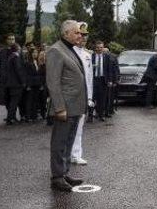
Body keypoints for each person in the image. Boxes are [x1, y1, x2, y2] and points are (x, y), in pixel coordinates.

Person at [46, 20, 87, 192]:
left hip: (75, 107)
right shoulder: (56, 50)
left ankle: (64, 173)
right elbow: (53, 83)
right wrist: (59, 108)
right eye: (77, 33)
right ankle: (57, 177)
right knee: (59, 142)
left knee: (69, 142)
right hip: (65, 108)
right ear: (66, 34)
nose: (80, 35)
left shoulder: (69, 49)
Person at [71, 22, 94, 166]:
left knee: (79, 127)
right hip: (71, 96)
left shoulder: (87, 55)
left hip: (83, 96)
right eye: (81, 34)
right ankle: (66, 154)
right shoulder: (69, 52)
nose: (83, 38)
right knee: (67, 128)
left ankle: (76, 154)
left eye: (85, 35)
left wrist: (90, 96)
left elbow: (89, 78)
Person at [5, 43, 26, 125]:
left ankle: (10, 118)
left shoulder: (10, 57)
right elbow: (19, 71)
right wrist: (23, 82)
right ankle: (10, 119)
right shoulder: (16, 58)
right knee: (14, 102)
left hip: (11, 83)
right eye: (19, 48)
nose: (20, 49)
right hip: (16, 84)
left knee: (12, 102)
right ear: (17, 49)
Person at [91, 41, 112, 121]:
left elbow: (109, 69)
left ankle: (101, 115)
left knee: (102, 99)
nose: (99, 49)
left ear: (103, 48)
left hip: (103, 80)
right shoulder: (91, 56)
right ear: (95, 48)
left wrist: (110, 80)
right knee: (92, 97)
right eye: (98, 47)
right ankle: (90, 115)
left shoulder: (106, 57)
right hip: (94, 79)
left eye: (101, 47)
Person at [24, 48, 44, 122]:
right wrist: (28, 85)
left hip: (37, 84)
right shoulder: (27, 63)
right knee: (29, 101)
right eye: (33, 53)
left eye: (36, 52)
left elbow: (40, 74)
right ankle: (28, 116)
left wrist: (41, 84)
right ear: (30, 54)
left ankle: (34, 116)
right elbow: (26, 75)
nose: (35, 54)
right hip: (31, 84)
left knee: (36, 101)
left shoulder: (38, 62)